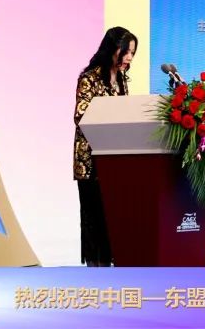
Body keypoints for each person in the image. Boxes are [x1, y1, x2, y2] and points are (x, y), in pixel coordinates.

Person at [73, 26, 137, 267]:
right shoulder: (89, 78)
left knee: (112, 218)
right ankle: (96, 268)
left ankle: (113, 266)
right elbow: (81, 116)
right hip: (90, 162)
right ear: (112, 49)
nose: (129, 58)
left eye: (132, 53)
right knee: (94, 218)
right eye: (126, 52)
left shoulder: (122, 80)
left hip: (115, 161)